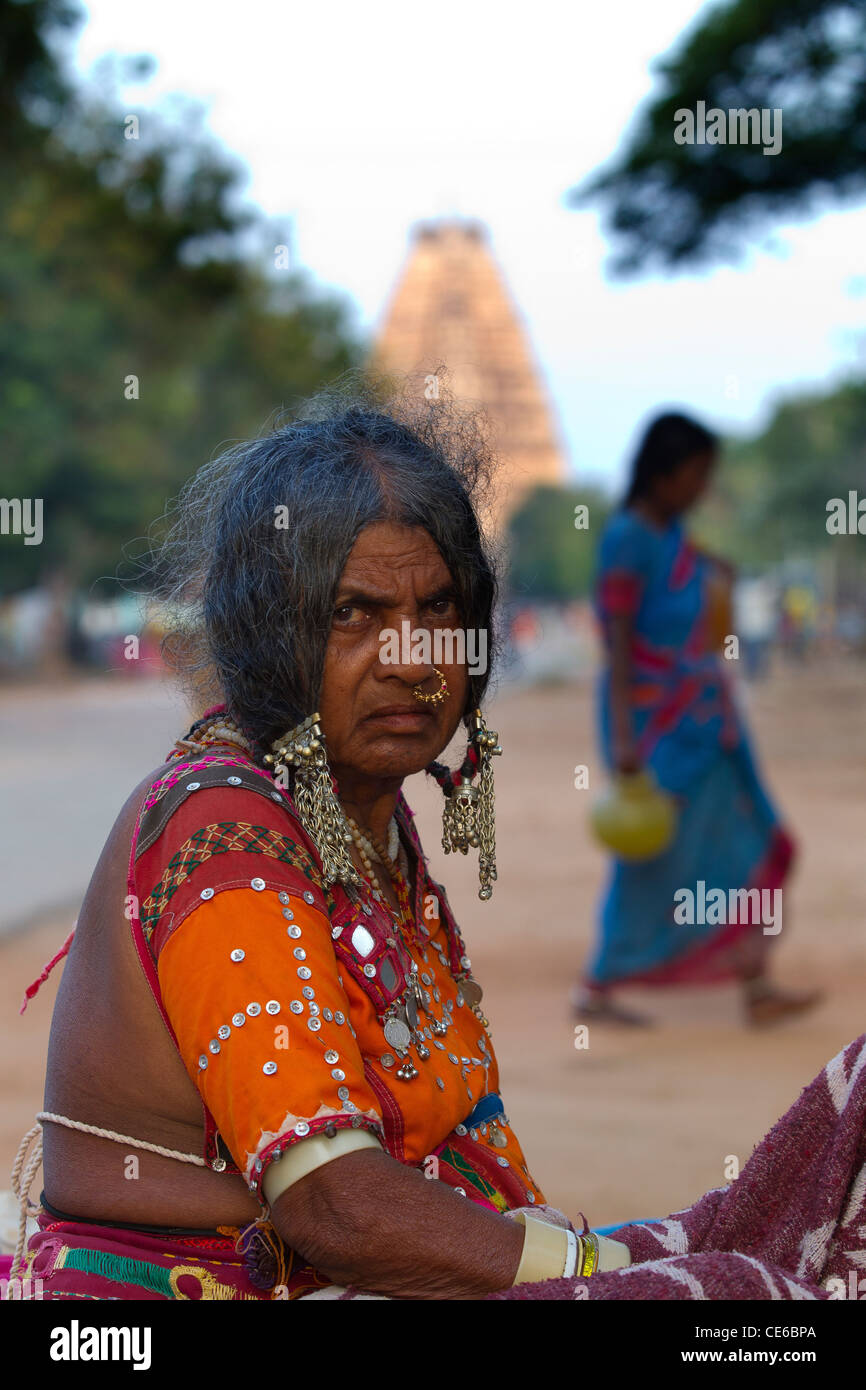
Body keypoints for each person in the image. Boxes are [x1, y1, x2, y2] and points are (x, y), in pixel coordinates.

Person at [9, 389, 858, 1303]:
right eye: (353, 616)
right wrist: (600, 1272)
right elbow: (335, 1206)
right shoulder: (225, 827)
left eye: (438, 607)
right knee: (738, 1304)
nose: (413, 659)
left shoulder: (354, 812)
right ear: (266, 633)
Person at [574, 413, 821, 1028]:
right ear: (662, 473)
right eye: (695, 474)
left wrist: (722, 576)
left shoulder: (673, 534)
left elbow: (706, 574)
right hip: (656, 729)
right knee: (653, 858)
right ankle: (599, 984)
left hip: (708, 724)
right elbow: (619, 641)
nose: (700, 487)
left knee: (747, 843)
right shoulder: (627, 538)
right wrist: (628, 741)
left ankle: (755, 981)